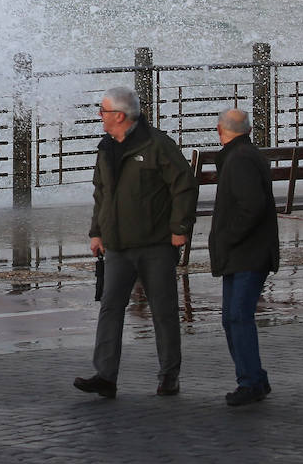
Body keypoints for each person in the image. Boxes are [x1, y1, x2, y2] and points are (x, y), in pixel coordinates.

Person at [74, 87, 198, 399]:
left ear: (119, 115)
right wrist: (96, 232)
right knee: (110, 307)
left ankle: (169, 376)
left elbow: (184, 184)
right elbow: (101, 194)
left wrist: (180, 227)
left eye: (102, 110)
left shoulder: (157, 145)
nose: (99, 116)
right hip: (117, 246)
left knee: (163, 311)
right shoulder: (105, 148)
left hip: (155, 244)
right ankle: (105, 375)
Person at [208, 109, 280, 406]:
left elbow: (252, 206)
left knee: (238, 317)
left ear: (218, 129)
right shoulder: (246, 155)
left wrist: (227, 237)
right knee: (232, 318)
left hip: (247, 253)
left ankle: (250, 382)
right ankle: (254, 378)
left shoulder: (239, 160)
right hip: (244, 253)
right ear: (248, 129)